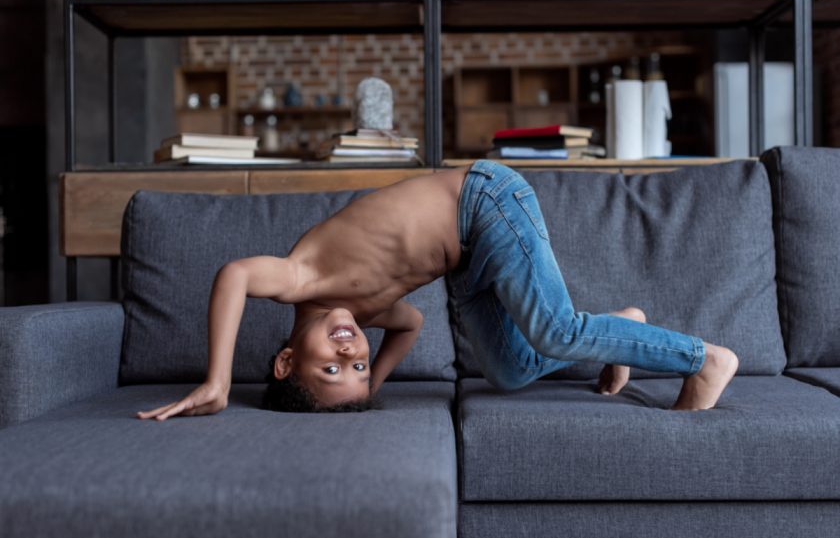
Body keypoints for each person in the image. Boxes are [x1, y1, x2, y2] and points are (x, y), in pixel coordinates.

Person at [137, 160, 738, 421]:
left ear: (286, 359)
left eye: (332, 368)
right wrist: (375, 382)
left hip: (486, 202)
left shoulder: (301, 278)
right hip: (468, 261)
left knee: (552, 329)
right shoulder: (366, 314)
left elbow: (234, 275)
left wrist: (217, 383)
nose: (351, 351)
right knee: (505, 371)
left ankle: (703, 358)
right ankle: (617, 328)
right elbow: (411, 324)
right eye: (358, 365)